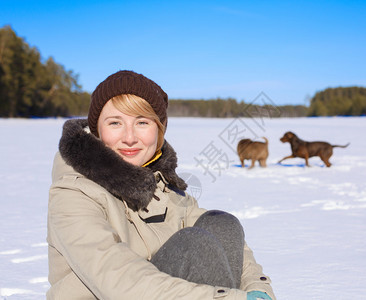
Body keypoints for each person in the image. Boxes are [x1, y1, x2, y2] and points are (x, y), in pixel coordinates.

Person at [47, 70, 275, 300]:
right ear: (97, 129)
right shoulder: (74, 193)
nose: (129, 137)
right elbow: (116, 276)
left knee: (221, 224)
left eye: (142, 122)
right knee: (194, 245)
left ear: (159, 130)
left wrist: (256, 288)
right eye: (115, 122)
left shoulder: (161, 184)